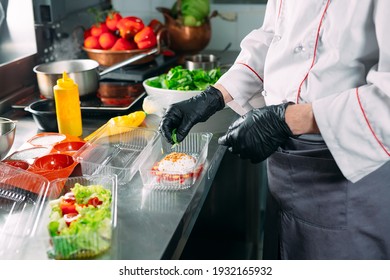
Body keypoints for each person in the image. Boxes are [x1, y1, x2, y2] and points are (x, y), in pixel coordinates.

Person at [159, 0, 390, 260]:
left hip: (347, 170)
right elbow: (275, 36)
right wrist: (216, 95)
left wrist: (287, 119)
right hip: (283, 167)